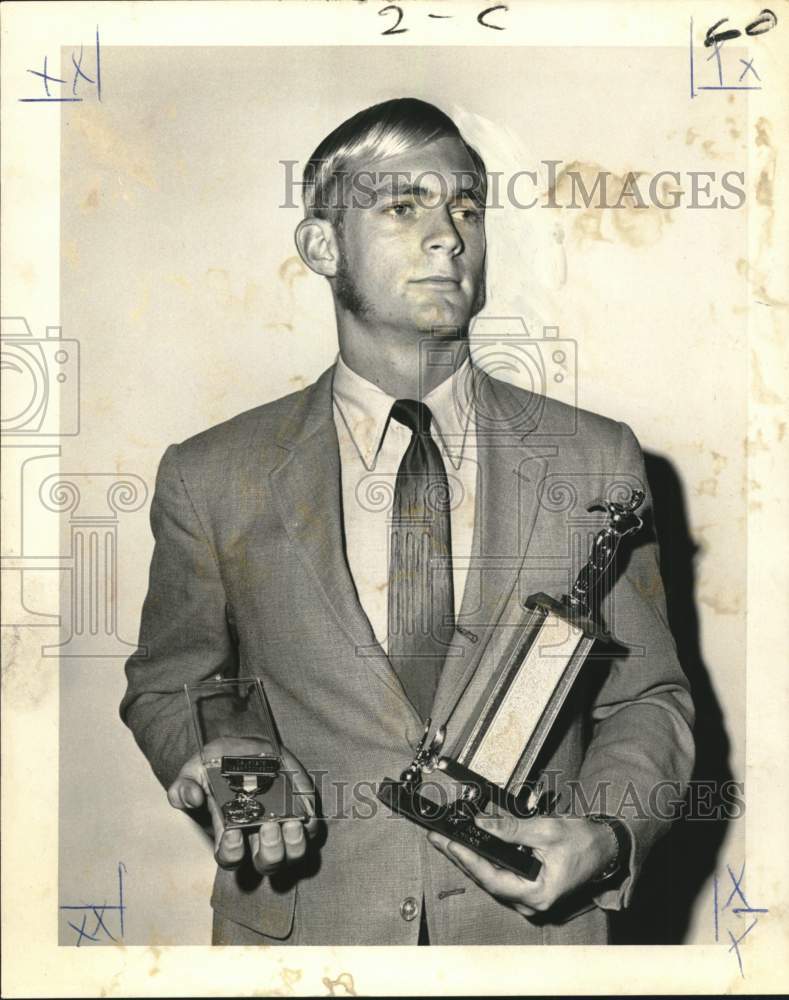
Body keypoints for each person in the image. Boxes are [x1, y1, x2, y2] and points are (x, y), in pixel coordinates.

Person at [120, 98, 694, 945]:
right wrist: (225, 754)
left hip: (529, 948)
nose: (448, 236)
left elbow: (647, 699)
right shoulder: (211, 474)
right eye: (402, 207)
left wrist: (607, 837)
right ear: (322, 246)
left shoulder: (596, 459)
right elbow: (171, 681)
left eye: (465, 206)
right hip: (305, 940)